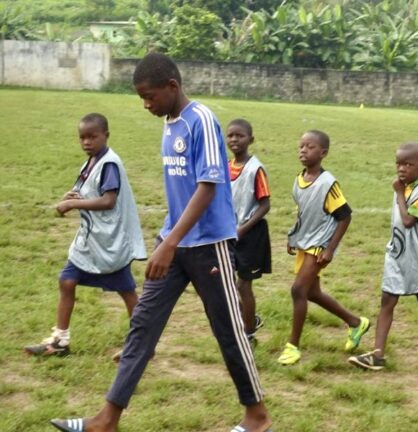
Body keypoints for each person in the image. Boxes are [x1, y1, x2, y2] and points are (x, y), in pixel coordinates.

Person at [50, 53, 271, 432]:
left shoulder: (201, 119)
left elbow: (207, 187)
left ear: (172, 87)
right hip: (174, 241)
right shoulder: (169, 123)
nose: (146, 104)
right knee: (142, 324)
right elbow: (179, 192)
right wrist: (167, 239)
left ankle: (257, 417)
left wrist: (170, 243)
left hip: (209, 244)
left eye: (149, 96)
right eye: (141, 98)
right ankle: (107, 420)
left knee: (228, 330)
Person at [24, 113, 146, 359]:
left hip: (109, 243)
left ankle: (142, 345)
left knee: (127, 291)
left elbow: (109, 201)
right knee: (67, 281)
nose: (87, 142)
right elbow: (88, 190)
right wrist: (74, 196)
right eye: (82, 137)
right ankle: (60, 340)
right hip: (90, 241)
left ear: (106, 136)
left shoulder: (109, 163)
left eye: (93, 136)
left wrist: (73, 206)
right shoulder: (91, 162)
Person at [348, 142, 418, 370]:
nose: (402, 168)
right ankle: (378, 354)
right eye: (399, 163)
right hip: (399, 252)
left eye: (408, 164)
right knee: (387, 300)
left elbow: (409, 221)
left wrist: (400, 194)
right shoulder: (403, 185)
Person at [279, 129, 369, 365]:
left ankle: (293, 346)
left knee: (298, 290)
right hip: (305, 243)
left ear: (323, 153)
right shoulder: (298, 180)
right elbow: (304, 214)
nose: (303, 150)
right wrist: (292, 236)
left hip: (320, 245)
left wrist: (330, 249)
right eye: (301, 146)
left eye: (310, 147)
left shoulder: (328, 184)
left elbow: (345, 216)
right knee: (312, 292)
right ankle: (356, 323)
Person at [227, 118, 272, 342]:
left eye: (240, 135)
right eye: (230, 135)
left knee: (244, 283)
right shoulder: (226, 167)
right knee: (226, 283)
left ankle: (249, 333)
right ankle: (249, 318)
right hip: (230, 233)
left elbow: (265, 205)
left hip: (250, 234)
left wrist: (243, 229)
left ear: (250, 140)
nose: (234, 139)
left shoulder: (256, 169)